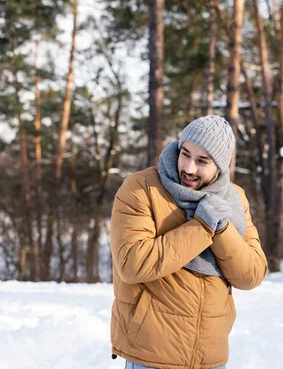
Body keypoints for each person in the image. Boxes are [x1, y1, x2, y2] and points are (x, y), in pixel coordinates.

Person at [109, 115, 268, 369]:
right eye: (185, 154)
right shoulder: (141, 188)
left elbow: (252, 274)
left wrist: (222, 227)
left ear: (220, 166)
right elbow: (132, 263)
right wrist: (202, 226)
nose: (189, 168)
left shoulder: (233, 200)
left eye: (202, 161)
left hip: (210, 358)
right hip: (151, 355)